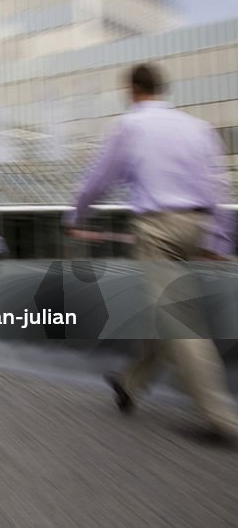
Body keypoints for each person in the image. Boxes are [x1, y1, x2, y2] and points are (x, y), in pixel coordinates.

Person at [65, 63, 238, 444]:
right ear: (161, 88)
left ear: (132, 89)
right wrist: (220, 241)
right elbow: (219, 186)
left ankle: (223, 420)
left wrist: (76, 215)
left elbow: (100, 179)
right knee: (165, 309)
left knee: (178, 320)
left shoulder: (131, 126)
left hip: (158, 230)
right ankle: (131, 382)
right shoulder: (198, 128)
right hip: (198, 224)